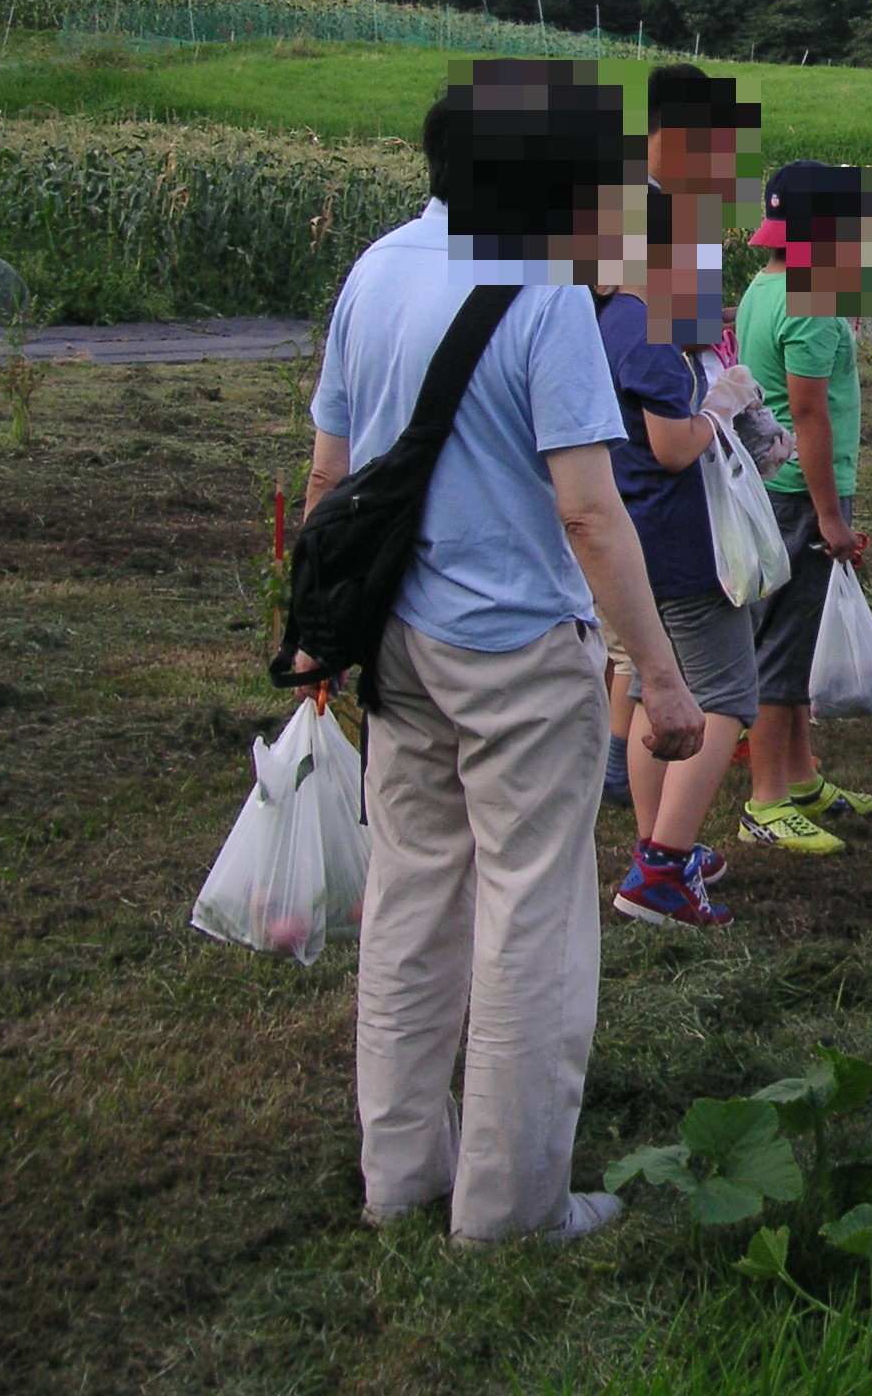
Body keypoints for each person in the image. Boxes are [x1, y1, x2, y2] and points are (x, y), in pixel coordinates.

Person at [306, 81, 704, 1247]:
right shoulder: (543, 298)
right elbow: (589, 514)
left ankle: (403, 1177)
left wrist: (329, 636)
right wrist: (662, 677)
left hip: (394, 640)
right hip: (519, 650)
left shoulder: (376, 270)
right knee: (532, 910)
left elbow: (330, 479)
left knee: (412, 896)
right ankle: (512, 1206)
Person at [593, 275, 768, 929]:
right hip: (682, 540)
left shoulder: (607, 314)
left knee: (647, 684)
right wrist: (721, 408)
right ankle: (662, 869)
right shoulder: (649, 327)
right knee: (724, 695)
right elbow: (672, 446)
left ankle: (658, 844)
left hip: (632, 534)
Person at [735, 160, 872, 854]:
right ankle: (764, 798)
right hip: (801, 492)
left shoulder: (762, 287)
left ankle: (800, 776)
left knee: (796, 636)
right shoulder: (814, 300)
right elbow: (807, 410)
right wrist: (830, 516)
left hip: (776, 484)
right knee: (781, 644)